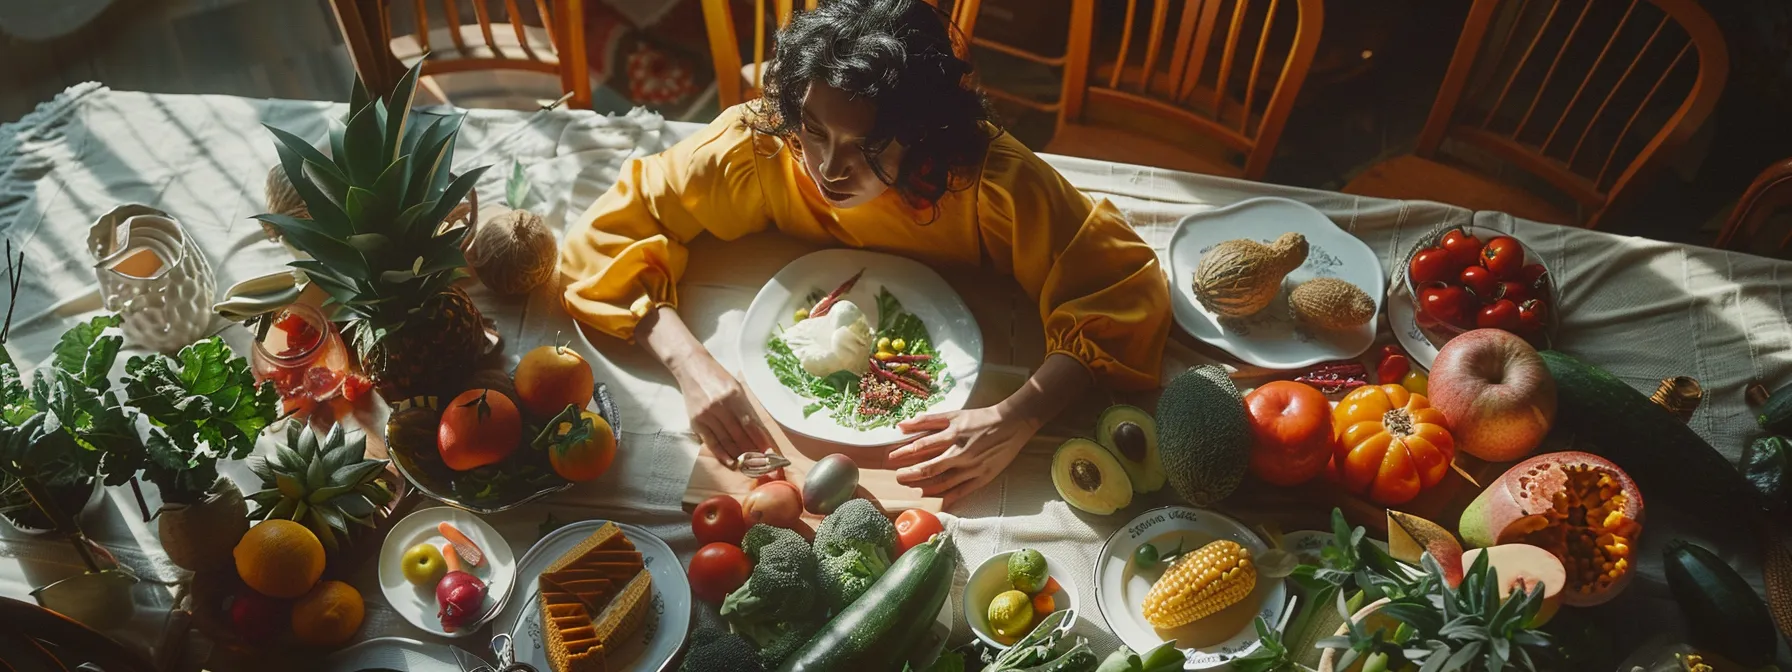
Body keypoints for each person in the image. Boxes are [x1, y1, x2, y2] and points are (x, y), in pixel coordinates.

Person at [559, 0, 1170, 503]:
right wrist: (691, 365)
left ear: (924, 136)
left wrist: (1020, 415)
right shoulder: (760, 146)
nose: (827, 166)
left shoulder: (989, 181)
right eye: (814, 129)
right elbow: (604, 232)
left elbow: (1124, 287)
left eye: (867, 145)